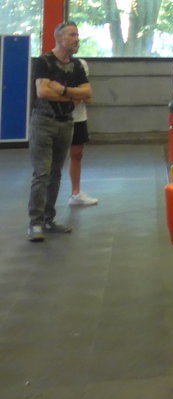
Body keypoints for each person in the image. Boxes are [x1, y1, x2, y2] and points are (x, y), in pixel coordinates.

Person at [27, 21, 91, 241]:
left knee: (55, 174)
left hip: (66, 123)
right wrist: (72, 95)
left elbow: (87, 92)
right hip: (44, 122)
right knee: (42, 173)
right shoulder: (45, 62)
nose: (76, 39)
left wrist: (63, 89)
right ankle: (35, 223)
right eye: (72, 35)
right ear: (60, 38)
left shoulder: (76, 66)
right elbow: (43, 92)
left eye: (77, 35)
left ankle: (48, 219)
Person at [68, 57, 98, 206]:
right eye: (72, 35)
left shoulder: (81, 64)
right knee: (53, 159)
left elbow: (86, 96)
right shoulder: (50, 63)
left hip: (79, 117)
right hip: (58, 118)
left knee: (77, 154)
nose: (76, 40)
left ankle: (76, 193)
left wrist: (78, 94)